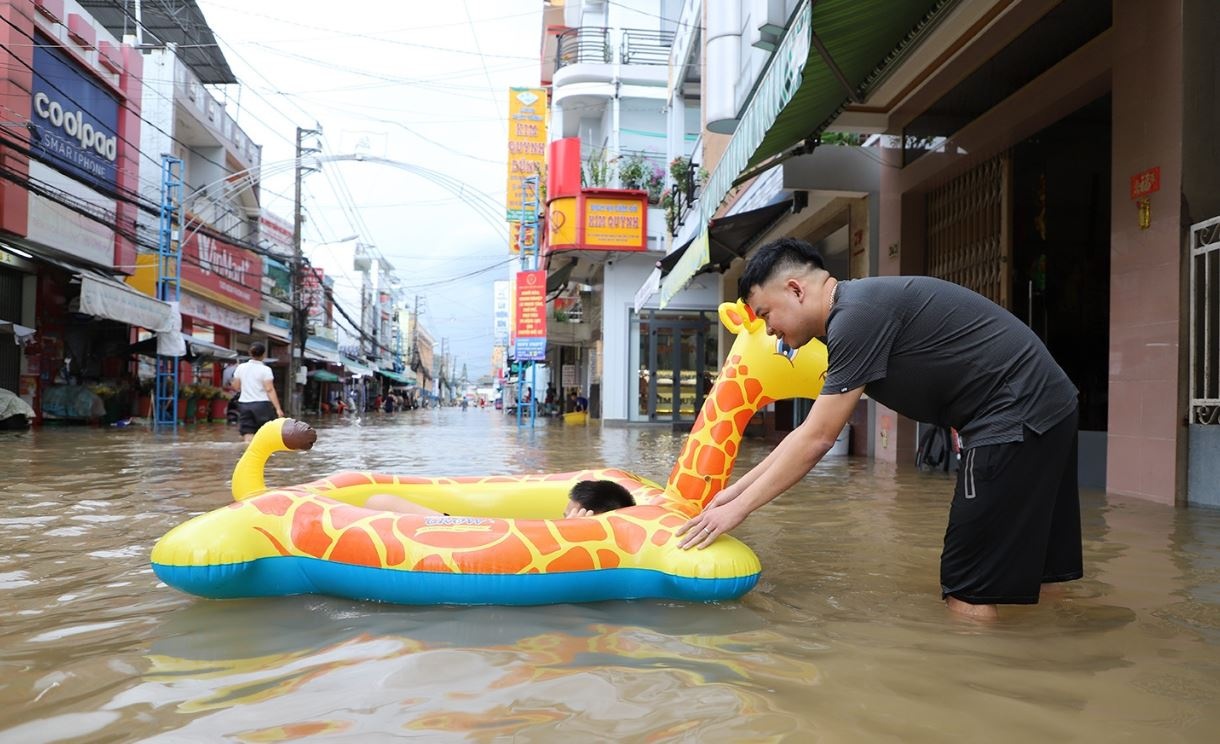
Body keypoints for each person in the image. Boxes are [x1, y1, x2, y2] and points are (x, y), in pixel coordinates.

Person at [676, 237, 1081, 620]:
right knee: (1043, 572)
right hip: (1051, 407)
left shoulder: (854, 317)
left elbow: (818, 439)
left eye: (766, 314)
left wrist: (737, 512)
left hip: (1010, 417)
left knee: (966, 588)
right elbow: (806, 431)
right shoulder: (859, 307)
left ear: (796, 290)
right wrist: (730, 495)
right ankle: (1049, 660)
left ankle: (975, 686)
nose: (768, 330)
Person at [365, 479, 635, 518]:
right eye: (565, 515)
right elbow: (378, 501)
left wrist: (582, 536)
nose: (562, 521)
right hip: (458, 532)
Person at [229, 341, 284, 443]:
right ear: (263, 354)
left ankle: (249, 456)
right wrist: (278, 408)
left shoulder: (240, 368)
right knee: (266, 433)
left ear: (250, 353)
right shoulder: (266, 370)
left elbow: (236, 387)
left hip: (245, 405)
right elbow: (269, 389)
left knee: (248, 433)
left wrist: (232, 380)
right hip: (262, 405)